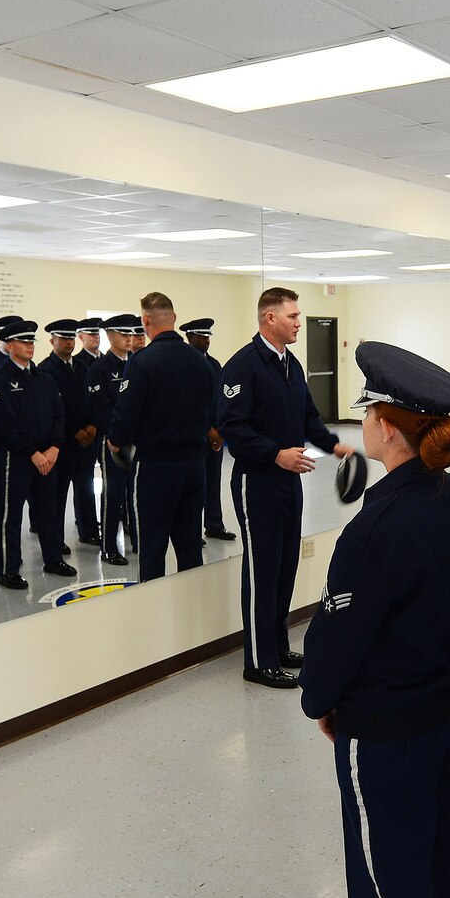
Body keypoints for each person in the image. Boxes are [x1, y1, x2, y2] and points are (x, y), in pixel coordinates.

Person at [301, 341, 450, 898]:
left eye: (369, 410)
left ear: (387, 425)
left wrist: (320, 698)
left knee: (386, 874)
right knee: (443, 852)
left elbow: (341, 635)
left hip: (382, 728)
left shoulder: (376, 525)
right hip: (443, 708)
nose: (364, 423)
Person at [220, 287, 352, 687]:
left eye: (298, 316)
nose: (299, 323)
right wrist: (275, 454)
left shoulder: (289, 364)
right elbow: (232, 429)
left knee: (283, 567)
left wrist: (335, 445)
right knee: (262, 571)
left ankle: (276, 645)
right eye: (293, 316)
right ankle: (258, 662)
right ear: (269, 319)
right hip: (256, 481)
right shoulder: (243, 366)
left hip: (288, 482)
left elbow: (308, 417)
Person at [109, 292, 216, 581]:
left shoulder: (142, 362)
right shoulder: (200, 361)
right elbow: (211, 409)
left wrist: (115, 439)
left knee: (152, 548)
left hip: (156, 467)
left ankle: (152, 616)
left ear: (145, 321)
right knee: (190, 546)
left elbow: (127, 412)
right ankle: (191, 611)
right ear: (175, 319)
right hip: (195, 464)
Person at [0, 317, 73, 590]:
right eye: (23, 341)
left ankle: (53, 558)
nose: (29, 346)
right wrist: (33, 452)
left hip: (48, 457)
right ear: (10, 345)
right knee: (11, 514)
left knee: (48, 509)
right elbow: (4, 423)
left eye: (31, 341)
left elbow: (59, 414)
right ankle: (9, 568)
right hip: (18, 457)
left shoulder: (42, 376)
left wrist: (55, 447)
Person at [38, 319, 100, 551]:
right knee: (58, 493)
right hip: (64, 441)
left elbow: (93, 400)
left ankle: (89, 531)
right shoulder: (45, 370)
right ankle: (56, 540)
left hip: (88, 438)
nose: (68, 342)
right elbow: (53, 410)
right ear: (52, 340)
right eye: (63, 338)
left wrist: (93, 425)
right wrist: (75, 431)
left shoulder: (84, 368)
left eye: (71, 338)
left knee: (86, 487)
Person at [86, 315, 141, 566]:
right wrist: (119, 433)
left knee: (137, 494)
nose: (129, 338)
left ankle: (139, 542)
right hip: (113, 441)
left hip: (139, 440)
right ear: (110, 336)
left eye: (131, 334)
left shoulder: (138, 363)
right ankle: (109, 547)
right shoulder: (99, 368)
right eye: (123, 334)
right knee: (113, 494)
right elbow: (100, 409)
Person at [183, 317, 237, 541]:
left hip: (216, 434)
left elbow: (222, 399)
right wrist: (208, 429)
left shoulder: (214, 364)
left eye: (207, 336)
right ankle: (192, 531)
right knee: (195, 487)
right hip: (194, 435)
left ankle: (214, 524)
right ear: (190, 337)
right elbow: (188, 403)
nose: (205, 340)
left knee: (213, 481)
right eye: (201, 336)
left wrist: (221, 430)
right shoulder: (183, 363)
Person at [71, 322, 105, 544]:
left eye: (97, 334)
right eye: (90, 334)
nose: (95, 337)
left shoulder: (105, 361)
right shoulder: (78, 364)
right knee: (84, 481)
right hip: (86, 432)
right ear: (81, 337)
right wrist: (87, 426)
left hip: (105, 430)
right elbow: (77, 400)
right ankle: (88, 527)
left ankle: (109, 518)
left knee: (110, 480)